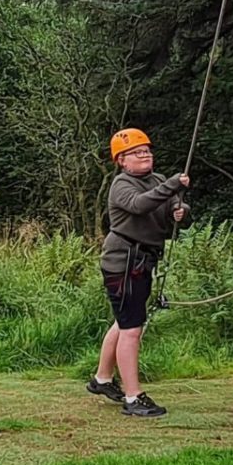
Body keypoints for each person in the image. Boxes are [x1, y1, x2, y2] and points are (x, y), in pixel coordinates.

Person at [88, 128, 186, 418]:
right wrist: (172, 186)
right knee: (132, 328)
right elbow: (139, 205)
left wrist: (181, 212)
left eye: (147, 151)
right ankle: (133, 397)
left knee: (124, 321)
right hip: (124, 262)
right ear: (121, 160)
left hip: (143, 259)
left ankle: (102, 379)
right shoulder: (121, 184)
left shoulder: (156, 181)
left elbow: (169, 209)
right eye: (136, 153)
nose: (144, 156)